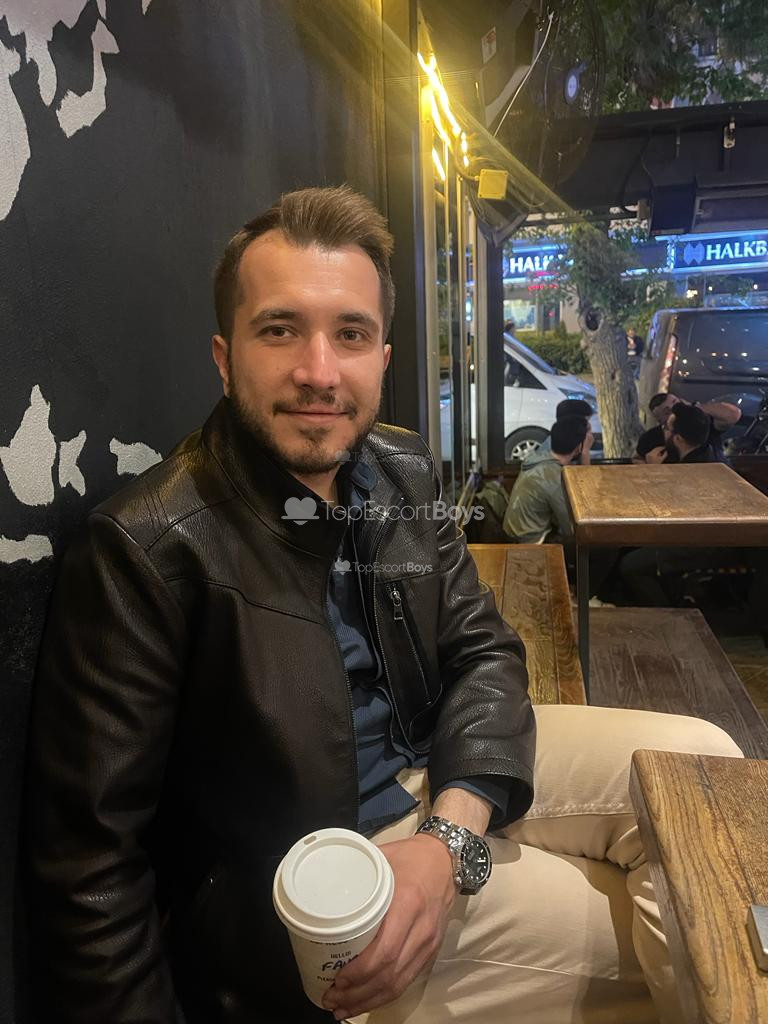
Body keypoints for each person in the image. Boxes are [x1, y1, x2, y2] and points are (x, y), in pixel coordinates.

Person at [25, 186, 742, 1024]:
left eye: (351, 334)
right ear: (224, 356)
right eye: (280, 329)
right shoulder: (148, 547)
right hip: (326, 882)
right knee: (687, 928)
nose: (319, 371)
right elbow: (89, 871)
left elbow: (484, 650)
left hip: (435, 770)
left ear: (384, 356)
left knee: (705, 767)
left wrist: (451, 834)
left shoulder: (400, 468)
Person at [620, 403, 727, 605]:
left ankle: (670, 615)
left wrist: (653, 471)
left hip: (705, 545)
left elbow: (663, 511)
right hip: (702, 537)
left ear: (677, 439)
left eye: (667, 429)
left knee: (630, 566)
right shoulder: (710, 454)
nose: (664, 433)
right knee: (627, 546)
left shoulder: (693, 472)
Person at [503, 416, 591, 543]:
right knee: (593, 544)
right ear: (578, 447)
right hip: (529, 542)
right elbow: (573, 528)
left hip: (514, 534)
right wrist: (586, 452)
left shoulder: (539, 458)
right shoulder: (554, 478)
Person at [634, 391, 741, 464]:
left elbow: (733, 415)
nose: (675, 411)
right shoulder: (650, 438)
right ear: (660, 421)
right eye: (667, 412)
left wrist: (695, 408)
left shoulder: (700, 422)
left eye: (675, 404)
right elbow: (637, 459)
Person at [522, 397, 593, 465]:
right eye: (586, 421)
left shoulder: (557, 443)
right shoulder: (559, 453)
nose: (589, 426)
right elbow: (582, 473)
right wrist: (585, 452)